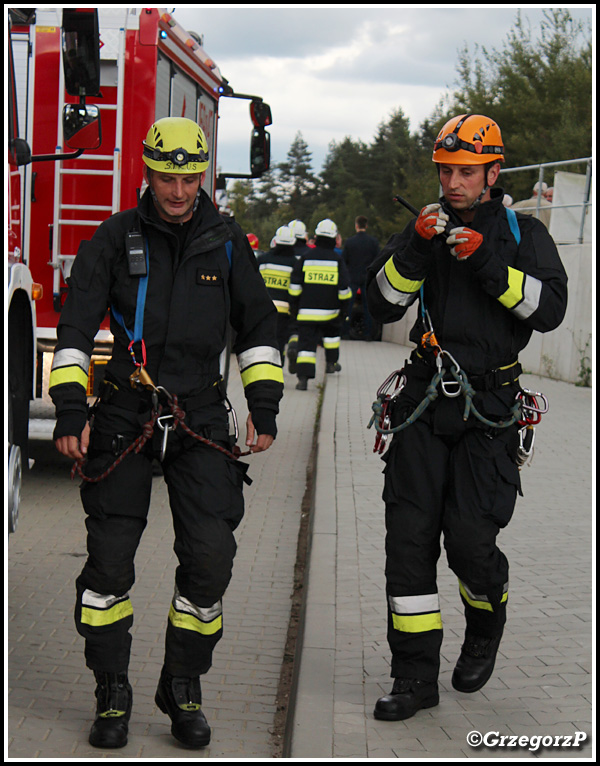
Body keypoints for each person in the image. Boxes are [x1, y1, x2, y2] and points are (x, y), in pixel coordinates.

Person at [49, 117, 284, 750]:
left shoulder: (228, 240)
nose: (177, 191)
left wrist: (263, 404)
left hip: (201, 417)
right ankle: (112, 691)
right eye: (164, 177)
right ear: (146, 174)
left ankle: (182, 684)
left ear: (202, 175)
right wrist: (70, 411)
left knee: (211, 558)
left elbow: (259, 326)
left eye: (187, 178)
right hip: (125, 413)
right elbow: (73, 329)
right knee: (108, 565)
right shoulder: (113, 237)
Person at [366, 113, 567, 722]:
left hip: (490, 409)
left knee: (471, 544)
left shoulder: (521, 234)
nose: (453, 182)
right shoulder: (422, 230)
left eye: (466, 172)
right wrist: (416, 248)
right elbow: (377, 302)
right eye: (446, 171)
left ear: (493, 173)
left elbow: (549, 310)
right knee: (408, 544)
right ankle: (413, 678)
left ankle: (485, 621)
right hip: (423, 403)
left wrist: (485, 262)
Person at [288, 218, 352, 390]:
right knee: (331, 338)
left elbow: (294, 286)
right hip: (330, 313)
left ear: (316, 237)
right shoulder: (337, 260)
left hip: (306, 312)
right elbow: (344, 289)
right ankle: (331, 363)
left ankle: (303, 379)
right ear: (333, 238)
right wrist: (344, 310)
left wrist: (294, 307)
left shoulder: (305, 258)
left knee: (306, 347)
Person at [256, 225, 297, 363]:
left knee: (264, 340)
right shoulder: (295, 264)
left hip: (264, 309)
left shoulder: (263, 259)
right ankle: (279, 362)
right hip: (284, 311)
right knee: (280, 339)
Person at [341, 215, 380, 341]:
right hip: (367, 277)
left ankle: (345, 333)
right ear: (366, 226)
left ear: (356, 225)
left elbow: (344, 261)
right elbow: (378, 260)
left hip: (352, 277)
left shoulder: (350, 242)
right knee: (367, 306)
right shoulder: (373, 242)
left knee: (348, 306)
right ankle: (368, 334)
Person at [286, 220, 311, 373]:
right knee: (299, 329)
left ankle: (287, 350)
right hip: (303, 297)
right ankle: (296, 348)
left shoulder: (283, 251)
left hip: (283, 297)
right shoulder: (308, 253)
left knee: (284, 330)